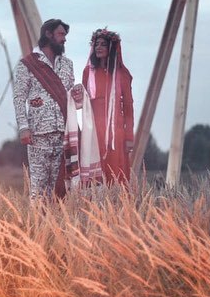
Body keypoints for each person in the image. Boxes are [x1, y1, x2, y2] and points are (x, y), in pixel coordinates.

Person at [12, 18, 83, 200]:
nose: (64, 39)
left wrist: (78, 96)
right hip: (38, 133)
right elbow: (19, 98)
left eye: (65, 35)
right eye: (60, 34)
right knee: (38, 184)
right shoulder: (27, 64)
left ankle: (56, 224)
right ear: (48, 34)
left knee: (61, 184)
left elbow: (68, 96)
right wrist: (23, 127)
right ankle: (36, 225)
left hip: (63, 132)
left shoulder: (68, 64)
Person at [82, 27, 135, 185]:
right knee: (94, 171)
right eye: (96, 44)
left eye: (103, 44)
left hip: (115, 131)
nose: (98, 47)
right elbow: (83, 101)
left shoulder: (122, 74)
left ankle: (116, 205)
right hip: (93, 128)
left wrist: (129, 136)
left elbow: (128, 106)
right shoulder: (88, 72)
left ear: (111, 48)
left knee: (115, 171)